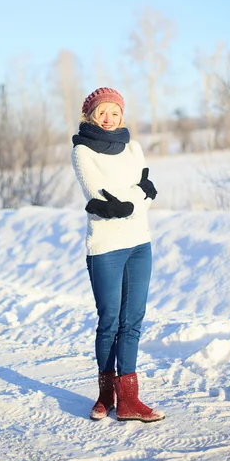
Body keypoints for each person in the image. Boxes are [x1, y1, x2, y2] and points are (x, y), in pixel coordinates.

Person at [71, 86, 165, 423]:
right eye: (102, 112)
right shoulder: (82, 151)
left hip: (140, 243)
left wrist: (132, 199)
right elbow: (107, 198)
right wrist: (133, 198)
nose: (108, 118)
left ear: (122, 114)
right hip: (105, 248)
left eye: (114, 112)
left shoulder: (133, 148)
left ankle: (129, 400)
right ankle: (104, 395)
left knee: (132, 322)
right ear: (91, 115)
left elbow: (145, 194)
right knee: (109, 321)